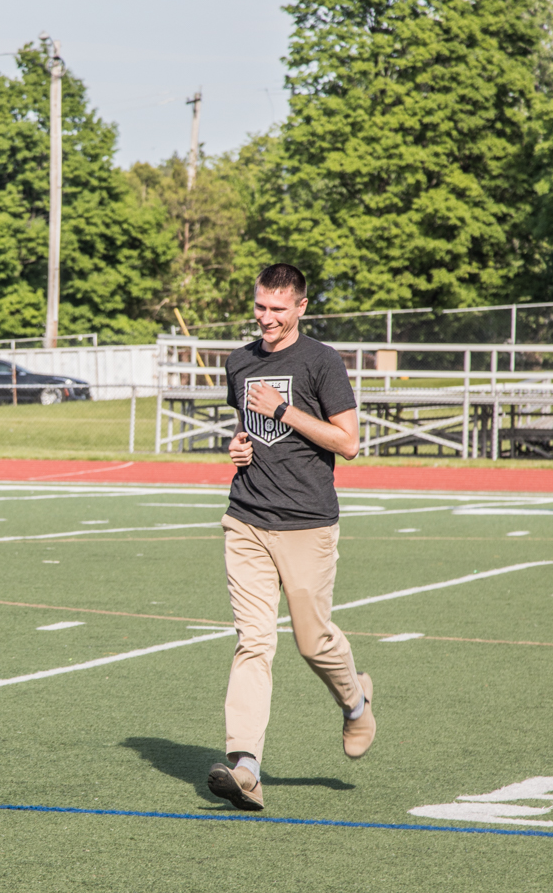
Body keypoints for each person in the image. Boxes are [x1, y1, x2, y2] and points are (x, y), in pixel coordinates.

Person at [206, 263, 374, 813]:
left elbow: (347, 443)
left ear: (302, 307)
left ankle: (355, 703)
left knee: (312, 641)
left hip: (307, 523)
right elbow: (246, 431)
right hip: (246, 519)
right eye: (260, 306)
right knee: (254, 642)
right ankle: (246, 767)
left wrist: (283, 409)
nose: (267, 318)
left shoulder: (322, 362)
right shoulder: (239, 361)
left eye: (278, 309)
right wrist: (236, 447)